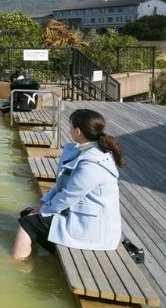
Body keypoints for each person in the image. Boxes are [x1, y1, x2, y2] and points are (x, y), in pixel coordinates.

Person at [12, 109, 123, 259]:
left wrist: (44, 210)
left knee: (26, 223)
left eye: (71, 126)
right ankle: (36, 257)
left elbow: (69, 196)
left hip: (91, 228)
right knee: (27, 213)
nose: (69, 129)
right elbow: (63, 187)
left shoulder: (92, 163)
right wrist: (44, 205)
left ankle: (18, 265)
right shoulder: (87, 150)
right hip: (81, 215)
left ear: (78, 131)